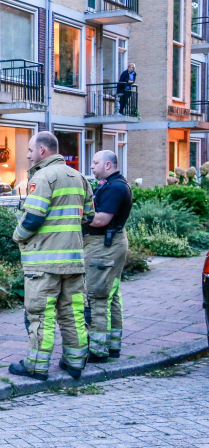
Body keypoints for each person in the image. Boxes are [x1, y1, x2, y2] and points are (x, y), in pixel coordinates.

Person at [9, 132, 95, 381]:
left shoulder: (43, 177)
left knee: (41, 315)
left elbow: (33, 217)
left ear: (42, 151)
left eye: (30, 150)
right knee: (73, 313)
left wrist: (18, 236)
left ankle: (36, 366)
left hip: (44, 264)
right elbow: (89, 216)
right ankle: (75, 362)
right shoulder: (79, 177)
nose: (28, 155)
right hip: (74, 262)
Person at [84, 150, 132, 361]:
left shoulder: (115, 187)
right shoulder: (111, 184)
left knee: (97, 296)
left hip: (104, 246)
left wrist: (75, 215)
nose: (92, 166)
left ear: (108, 165)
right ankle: (112, 345)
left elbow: (101, 219)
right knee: (111, 297)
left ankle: (97, 349)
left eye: (95, 163)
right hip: (109, 244)